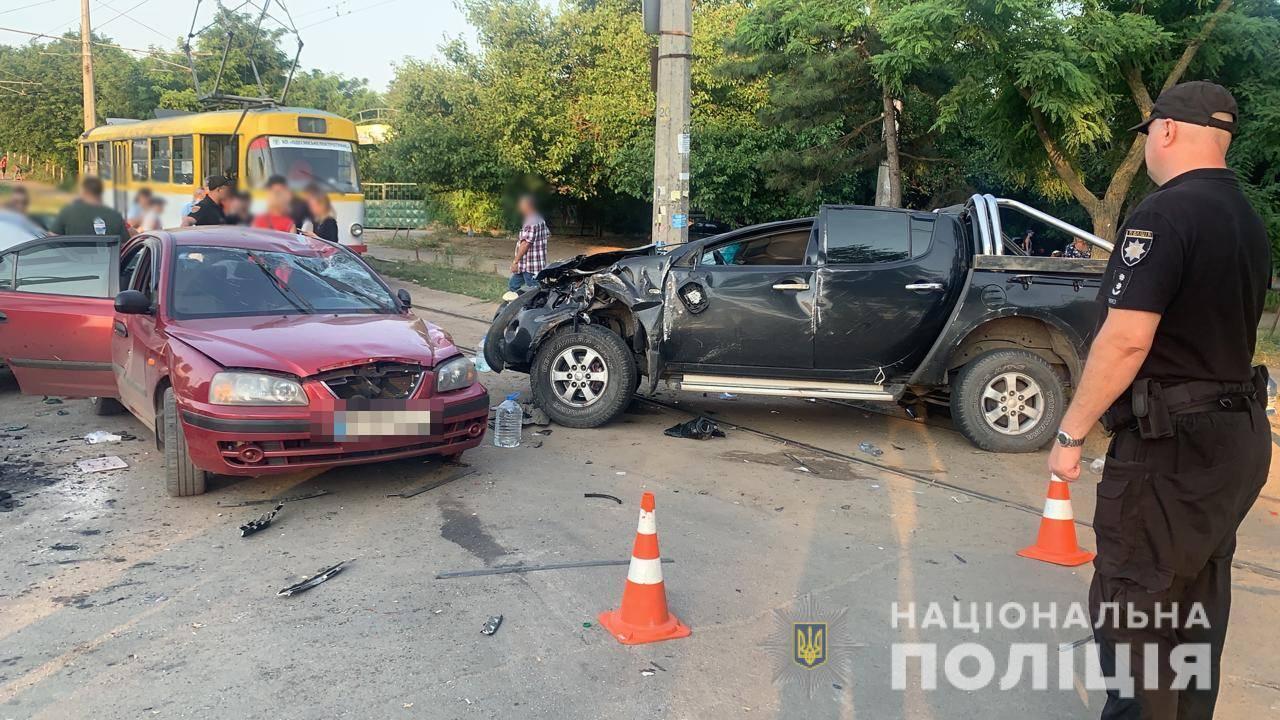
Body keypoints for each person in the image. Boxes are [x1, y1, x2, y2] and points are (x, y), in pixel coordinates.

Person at [1047, 81, 1270, 718]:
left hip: (1172, 448)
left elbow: (1125, 339)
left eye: (1148, 136)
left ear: (1166, 131)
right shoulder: (1244, 220)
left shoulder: (1164, 214)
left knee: (1135, 616)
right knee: (1196, 608)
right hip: (1233, 441)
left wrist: (1070, 436)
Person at [48, 176, 128, 241]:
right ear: (100, 192)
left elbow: (52, 238)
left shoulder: (67, 212)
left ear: (83, 191)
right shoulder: (115, 216)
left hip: (74, 260)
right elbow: (126, 244)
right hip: (108, 260)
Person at [509, 194, 548, 292]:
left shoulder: (531, 221)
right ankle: (516, 306)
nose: (519, 207)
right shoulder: (540, 219)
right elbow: (546, 235)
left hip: (530, 266)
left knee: (534, 292)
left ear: (528, 205)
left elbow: (526, 244)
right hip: (525, 265)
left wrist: (515, 262)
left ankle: (532, 306)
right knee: (513, 285)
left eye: (521, 205)